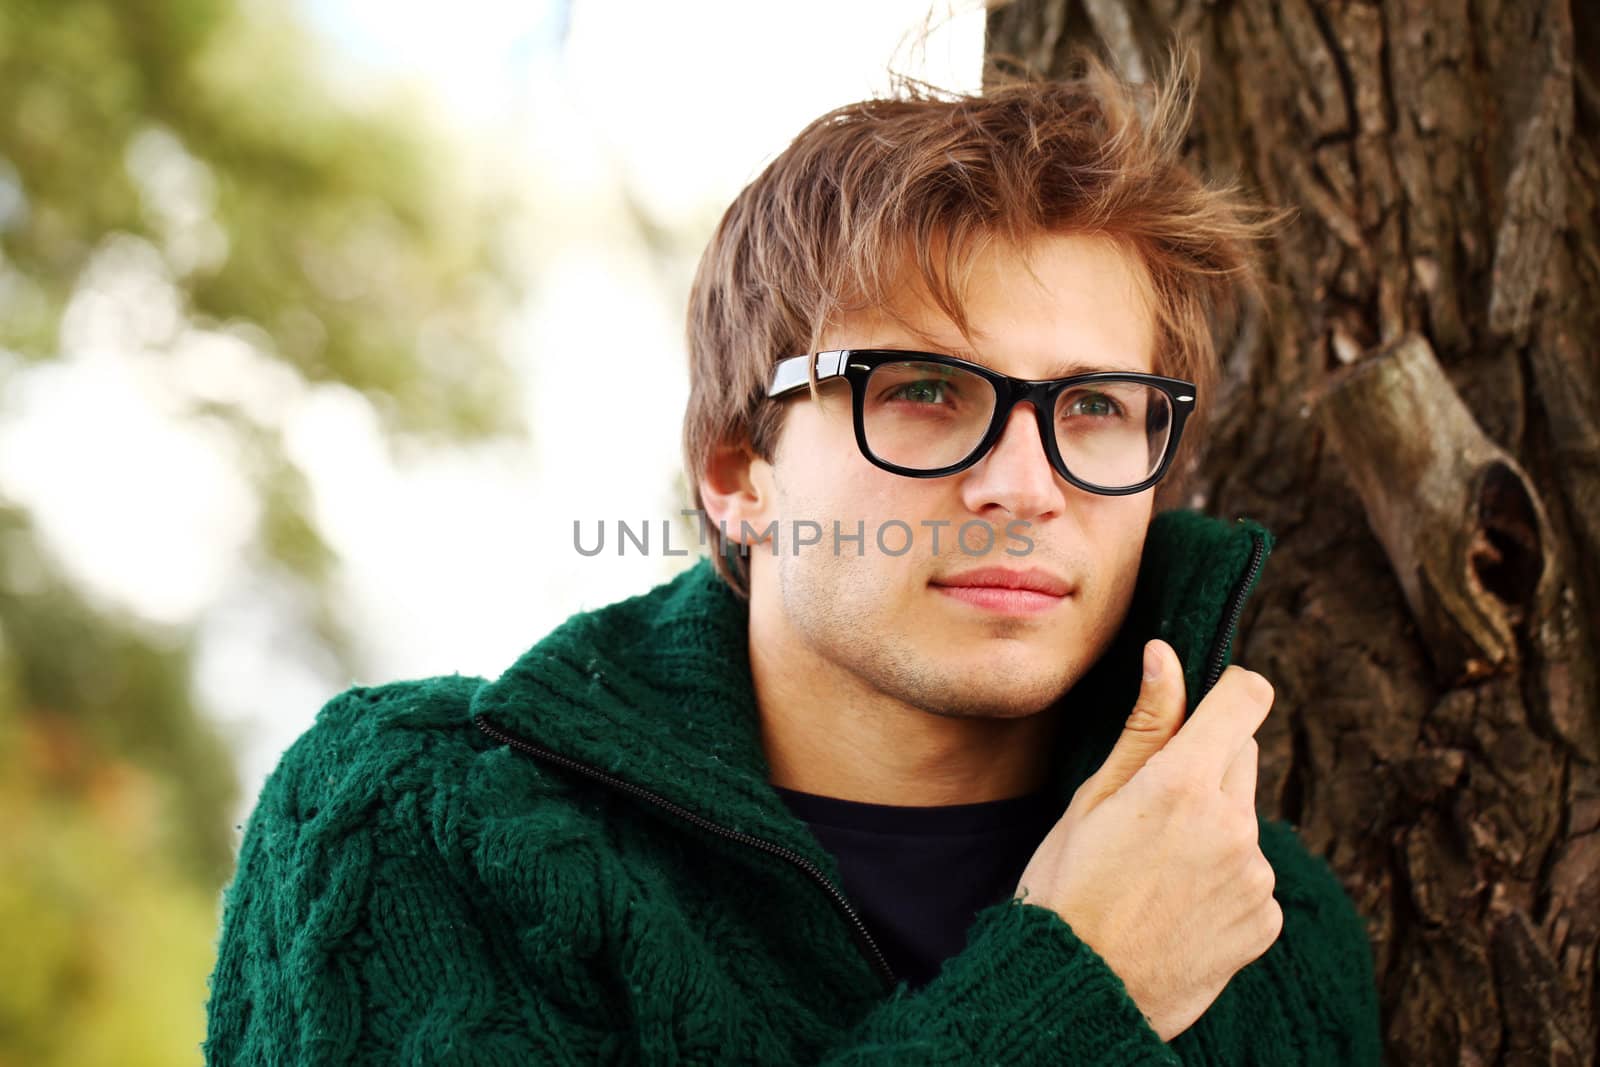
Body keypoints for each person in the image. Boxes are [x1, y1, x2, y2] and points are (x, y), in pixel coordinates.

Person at [204, 49, 1382, 1064]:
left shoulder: (1258, 917)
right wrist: (1080, 991)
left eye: (1095, 409)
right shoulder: (416, 821)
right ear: (736, 471)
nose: (1024, 486)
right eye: (922, 391)